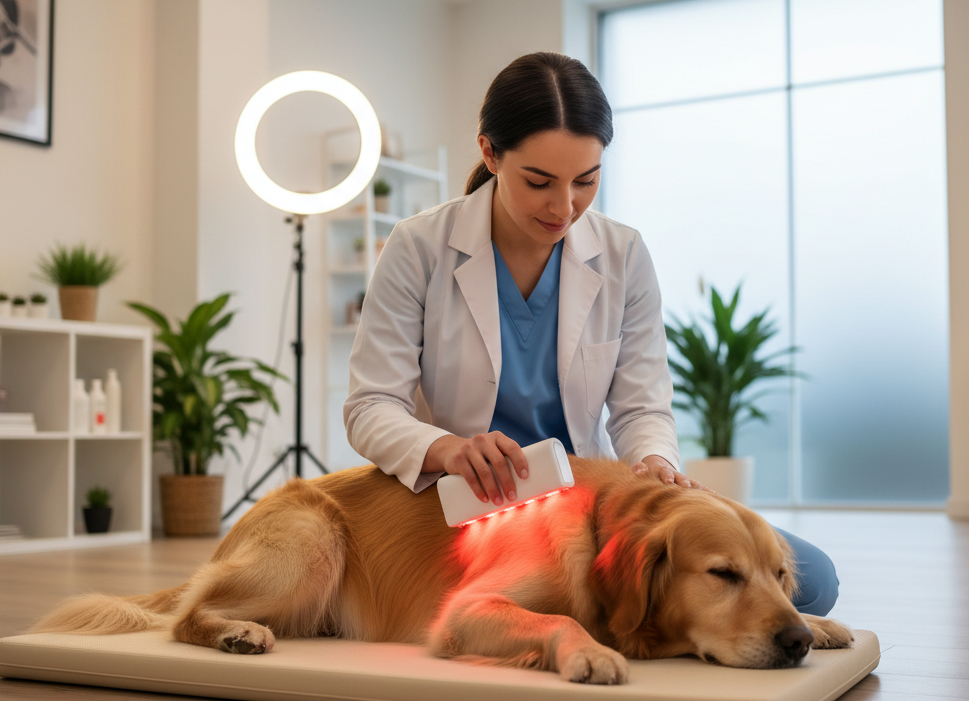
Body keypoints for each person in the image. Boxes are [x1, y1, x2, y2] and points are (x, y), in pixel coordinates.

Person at [344, 52, 839, 617]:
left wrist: (653, 460)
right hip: (475, 502)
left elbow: (642, 407)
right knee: (572, 596)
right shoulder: (418, 248)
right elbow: (372, 406)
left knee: (811, 580)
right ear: (490, 153)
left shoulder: (623, 254)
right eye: (539, 182)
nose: (564, 207)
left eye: (586, 180)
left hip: (588, 499)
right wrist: (449, 448)